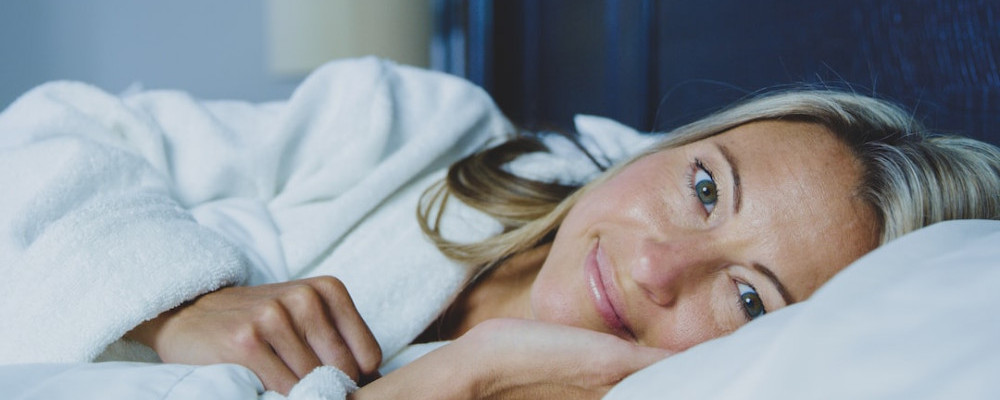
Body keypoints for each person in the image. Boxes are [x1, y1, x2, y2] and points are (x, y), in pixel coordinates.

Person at [1, 58, 997, 399]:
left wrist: (453, 378)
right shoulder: (422, 131)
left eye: (747, 298)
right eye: (703, 187)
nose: (658, 264)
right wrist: (180, 297)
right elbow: (55, 129)